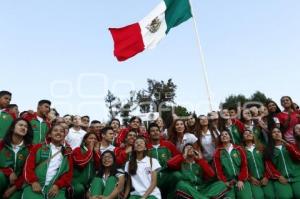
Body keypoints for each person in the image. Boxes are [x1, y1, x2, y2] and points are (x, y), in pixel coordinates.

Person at [22, 124, 73, 199]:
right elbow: (28, 167)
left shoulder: (67, 153)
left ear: (64, 135)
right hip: (35, 184)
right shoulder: (38, 147)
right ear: (49, 134)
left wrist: (57, 185)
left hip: (55, 188)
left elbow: (68, 173)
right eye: (55, 130)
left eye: (61, 131)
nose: (58, 132)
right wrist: (33, 182)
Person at [213, 129, 253, 199]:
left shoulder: (239, 148)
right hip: (227, 182)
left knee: (245, 197)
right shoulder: (217, 152)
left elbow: (244, 165)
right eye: (222, 135)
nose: (224, 136)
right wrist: (225, 182)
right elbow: (218, 170)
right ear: (220, 139)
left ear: (230, 137)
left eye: (226, 134)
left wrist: (241, 180)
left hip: (241, 179)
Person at [0, 118, 33, 199]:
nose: (23, 128)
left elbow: (29, 171)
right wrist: (9, 172)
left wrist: (14, 188)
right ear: (12, 128)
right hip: (3, 178)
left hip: (19, 183)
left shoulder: (31, 148)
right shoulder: (2, 144)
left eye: (26, 127)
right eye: (20, 125)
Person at [147, 123, 181, 198]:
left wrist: (172, 163)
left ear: (160, 132)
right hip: (152, 177)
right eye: (152, 131)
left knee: (177, 176)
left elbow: (179, 157)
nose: (155, 132)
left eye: (157, 130)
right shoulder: (146, 147)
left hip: (167, 174)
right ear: (149, 134)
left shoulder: (168, 144)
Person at [264, 127, 300, 199]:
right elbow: (269, 167)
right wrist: (279, 176)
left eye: (278, 132)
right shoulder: (269, 150)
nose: (277, 133)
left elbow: (298, 156)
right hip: (281, 178)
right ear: (271, 136)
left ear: (282, 134)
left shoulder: (291, 145)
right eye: (274, 132)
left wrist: (288, 145)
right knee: (284, 196)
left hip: (297, 177)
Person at [243, 129, 275, 199]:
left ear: (253, 136)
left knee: (271, 196)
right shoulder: (242, 151)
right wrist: (250, 178)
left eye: (250, 133)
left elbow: (268, 163)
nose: (248, 134)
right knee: (258, 197)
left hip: (265, 178)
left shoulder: (261, 147)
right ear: (243, 138)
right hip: (253, 180)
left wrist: (266, 176)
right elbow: (243, 167)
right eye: (245, 133)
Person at [71, 132, 101, 199]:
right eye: (90, 138)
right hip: (77, 182)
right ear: (84, 140)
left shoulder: (95, 152)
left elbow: (98, 166)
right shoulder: (77, 150)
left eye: (95, 139)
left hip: (90, 183)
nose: (93, 140)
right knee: (79, 189)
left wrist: (96, 152)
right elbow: (81, 163)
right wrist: (90, 150)